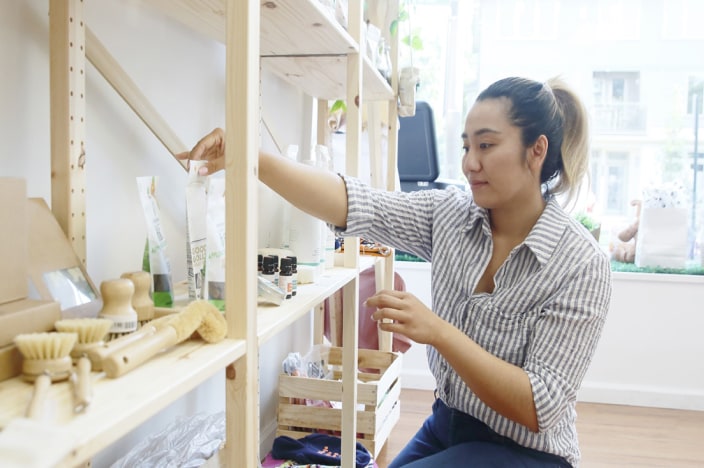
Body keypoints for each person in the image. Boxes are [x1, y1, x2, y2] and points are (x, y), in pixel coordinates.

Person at [178, 76, 612, 467]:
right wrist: (250, 158)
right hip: (448, 425)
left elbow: (540, 407)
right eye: (466, 146)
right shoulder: (452, 214)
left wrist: (438, 330)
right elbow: (355, 203)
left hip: (528, 453)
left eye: (486, 145)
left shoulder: (580, 264)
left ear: (536, 150)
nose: (469, 163)